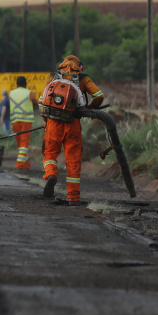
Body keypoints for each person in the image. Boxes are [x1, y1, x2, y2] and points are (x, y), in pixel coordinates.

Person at [40, 55, 104, 205]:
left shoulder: (52, 76)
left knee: (49, 154)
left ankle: (51, 174)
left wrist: (46, 122)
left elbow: (42, 101)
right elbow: (99, 95)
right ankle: (73, 197)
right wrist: (90, 108)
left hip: (53, 123)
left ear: (61, 64)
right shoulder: (83, 78)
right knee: (73, 159)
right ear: (78, 66)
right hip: (73, 123)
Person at [9, 76, 39, 170]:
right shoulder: (29, 93)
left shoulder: (11, 93)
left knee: (20, 144)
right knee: (24, 143)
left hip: (15, 121)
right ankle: (19, 164)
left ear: (16, 84)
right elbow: (36, 104)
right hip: (26, 121)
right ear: (25, 84)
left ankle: (25, 164)